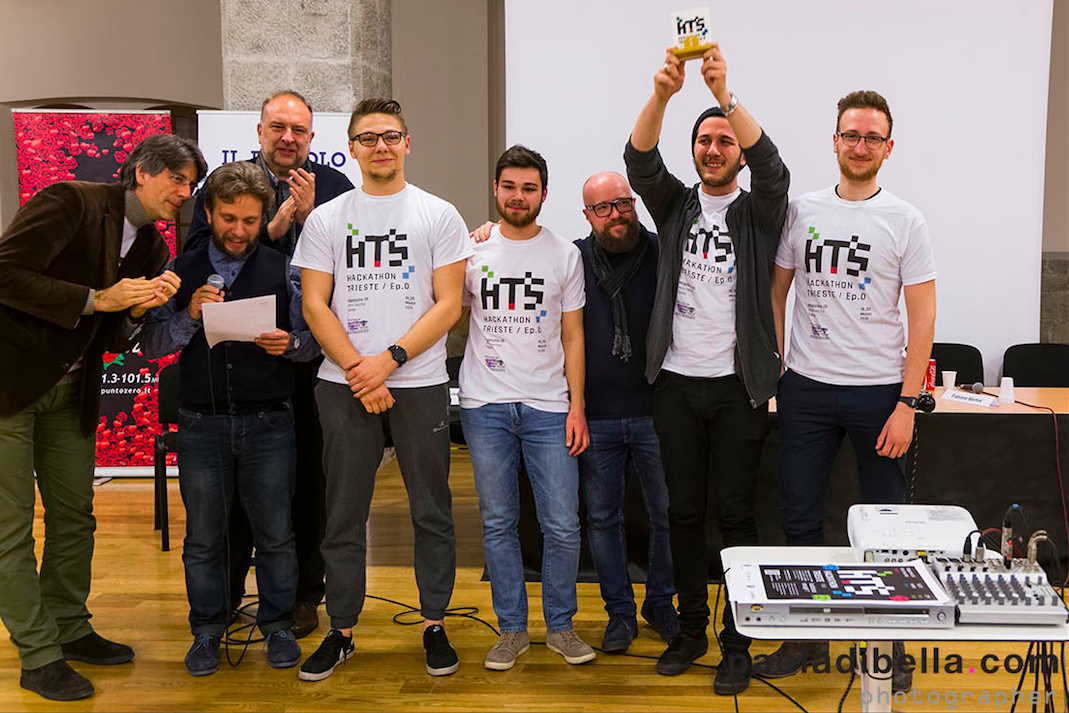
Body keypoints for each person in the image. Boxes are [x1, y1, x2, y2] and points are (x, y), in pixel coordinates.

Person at [0, 133, 206, 700]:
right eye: (177, 180)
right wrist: (100, 298)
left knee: (75, 518)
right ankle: (38, 655)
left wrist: (135, 311)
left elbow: (114, 337)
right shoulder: (72, 200)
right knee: (11, 529)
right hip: (10, 385)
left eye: (190, 185)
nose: (183, 194)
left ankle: (69, 627)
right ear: (141, 172)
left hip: (73, 391)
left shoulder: (155, 249)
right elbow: (5, 273)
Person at [623, 43, 789, 695]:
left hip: (738, 390)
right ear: (693, 151)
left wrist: (724, 96)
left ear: (737, 153)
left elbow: (774, 168)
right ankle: (691, 629)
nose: (714, 149)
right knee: (683, 513)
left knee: (737, 517)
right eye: (704, 141)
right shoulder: (674, 206)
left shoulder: (758, 211)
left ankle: (737, 643)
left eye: (725, 141)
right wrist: (663, 94)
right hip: (675, 386)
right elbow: (638, 159)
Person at [760, 90, 936, 693]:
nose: (860, 146)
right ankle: (806, 638)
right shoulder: (801, 211)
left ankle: (888, 642)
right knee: (800, 518)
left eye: (872, 138)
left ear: (888, 147)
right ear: (834, 141)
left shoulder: (905, 220)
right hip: (806, 392)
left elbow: (923, 319)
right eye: (851, 135)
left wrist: (907, 404)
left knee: (887, 528)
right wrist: (779, 369)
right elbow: (776, 293)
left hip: (880, 395)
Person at [293, 98, 471, 681]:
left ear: (407, 144)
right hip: (343, 384)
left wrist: (388, 360)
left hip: (418, 381)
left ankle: (434, 624)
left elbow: (449, 305)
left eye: (390, 136)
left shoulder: (438, 214)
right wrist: (357, 369)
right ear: (351, 148)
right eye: (368, 138)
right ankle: (341, 630)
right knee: (343, 514)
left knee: (432, 511)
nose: (380, 146)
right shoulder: (326, 218)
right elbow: (314, 303)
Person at [186, 90, 354, 638]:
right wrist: (273, 231)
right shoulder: (225, 185)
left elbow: (353, 270)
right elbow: (198, 257)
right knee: (232, 495)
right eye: (278, 127)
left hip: (311, 362)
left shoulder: (335, 187)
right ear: (259, 131)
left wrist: (312, 222)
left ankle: (303, 595)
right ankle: (227, 597)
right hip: (238, 363)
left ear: (312, 139)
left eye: (299, 130)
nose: (288, 138)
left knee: (308, 484)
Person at [141, 161, 320, 676]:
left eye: (249, 220)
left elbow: (313, 342)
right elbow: (150, 344)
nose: (239, 231)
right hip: (201, 424)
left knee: (277, 534)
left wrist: (291, 345)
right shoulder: (180, 269)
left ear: (265, 217)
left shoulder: (284, 269)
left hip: (270, 422)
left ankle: (278, 625)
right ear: (208, 212)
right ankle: (206, 630)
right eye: (228, 219)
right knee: (203, 538)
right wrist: (188, 316)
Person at [460, 145, 593, 671]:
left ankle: (560, 627)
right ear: (496, 190)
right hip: (485, 405)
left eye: (529, 188)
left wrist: (576, 407)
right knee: (498, 524)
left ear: (544, 194)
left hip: (549, 406)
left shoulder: (564, 255)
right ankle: (511, 630)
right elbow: (450, 313)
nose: (519, 196)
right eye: (510, 187)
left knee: (562, 525)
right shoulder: (471, 251)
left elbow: (574, 336)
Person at [574, 171, 678, 652]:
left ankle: (660, 603)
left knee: (668, 515)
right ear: (587, 215)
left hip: (658, 410)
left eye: (623, 203)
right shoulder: (573, 258)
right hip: (595, 414)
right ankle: (619, 613)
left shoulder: (663, 250)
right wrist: (488, 231)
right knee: (602, 520)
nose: (616, 215)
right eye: (603, 208)